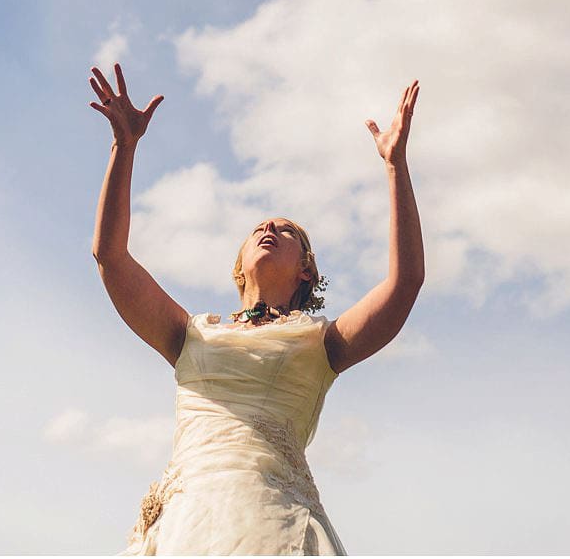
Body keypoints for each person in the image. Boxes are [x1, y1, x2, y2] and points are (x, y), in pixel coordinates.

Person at [89, 63, 424, 556]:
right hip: (186, 523)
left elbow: (404, 283)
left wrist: (396, 167)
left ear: (306, 271)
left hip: (272, 523)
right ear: (240, 267)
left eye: (286, 230)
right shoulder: (189, 334)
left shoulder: (322, 341)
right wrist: (124, 148)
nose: (269, 226)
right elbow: (110, 257)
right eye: (259, 228)